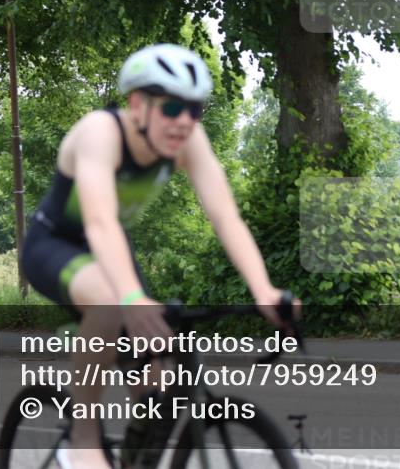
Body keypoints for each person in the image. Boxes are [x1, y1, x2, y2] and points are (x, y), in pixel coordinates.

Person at [21, 43, 296, 469]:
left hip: (113, 253)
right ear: (137, 104)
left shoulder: (187, 140)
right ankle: (83, 440)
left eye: (195, 110)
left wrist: (263, 290)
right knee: (111, 305)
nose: (184, 121)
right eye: (171, 108)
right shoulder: (101, 131)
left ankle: (135, 459)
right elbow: (99, 223)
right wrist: (131, 298)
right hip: (57, 244)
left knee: (160, 379)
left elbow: (226, 218)